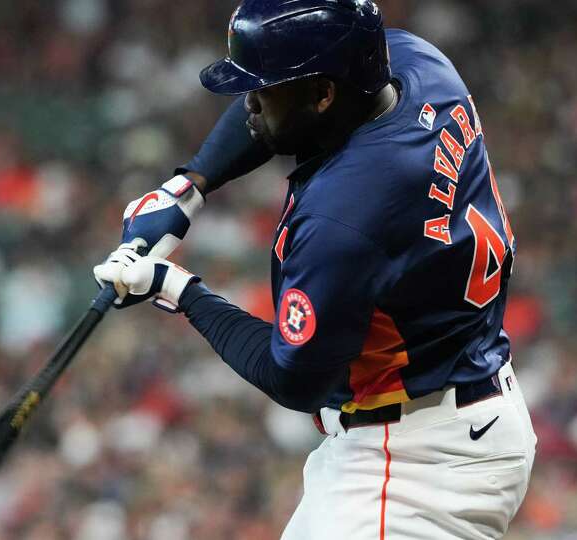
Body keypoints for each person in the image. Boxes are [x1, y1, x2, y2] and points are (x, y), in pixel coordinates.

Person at [94, 0, 537, 538]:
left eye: (261, 93)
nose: (247, 104)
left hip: (419, 465)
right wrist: (189, 186)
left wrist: (177, 288)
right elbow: (287, 96)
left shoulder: (344, 216)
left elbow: (294, 378)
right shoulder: (420, 67)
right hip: (453, 414)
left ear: (324, 95)